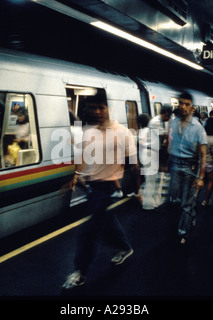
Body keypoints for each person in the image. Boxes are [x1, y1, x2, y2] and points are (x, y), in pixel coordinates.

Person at [62, 97, 139, 290]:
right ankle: (124, 247)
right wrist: (76, 175)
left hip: (109, 188)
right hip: (93, 186)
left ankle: (80, 272)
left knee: (88, 232)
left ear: (108, 108)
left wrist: (137, 189)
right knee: (107, 223)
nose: (96, 111)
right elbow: (82, 156)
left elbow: (134, 163)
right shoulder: (89, 132)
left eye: (100, 107)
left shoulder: (122, 132)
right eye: (92, 107)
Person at [167, 92, 207, 245]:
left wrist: (201, 177)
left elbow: (203, 154)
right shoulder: (173, 122)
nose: (183, 107)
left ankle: (183, 233)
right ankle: (191, 214)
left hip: (191, 166)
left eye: (187, 104)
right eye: (181, 103)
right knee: (173, 199)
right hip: (175, 164)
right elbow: (171, 144)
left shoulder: (198, 127)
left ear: (192, 108)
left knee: (186, 203)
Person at [138, 113, 160, 210]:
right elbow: (142, 142)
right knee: (151, 180)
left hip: (143, 155)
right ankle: (148, 204)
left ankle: (149, 201)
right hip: (149, 155)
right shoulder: (148, 130)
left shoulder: (141, 130)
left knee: (148, 179)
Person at [200, 117, 213, 207]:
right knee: (210, 182)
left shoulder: (201, 136)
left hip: (200, 163)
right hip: (209, 163)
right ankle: (205, 201)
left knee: (200, 181)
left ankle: (194, 199)